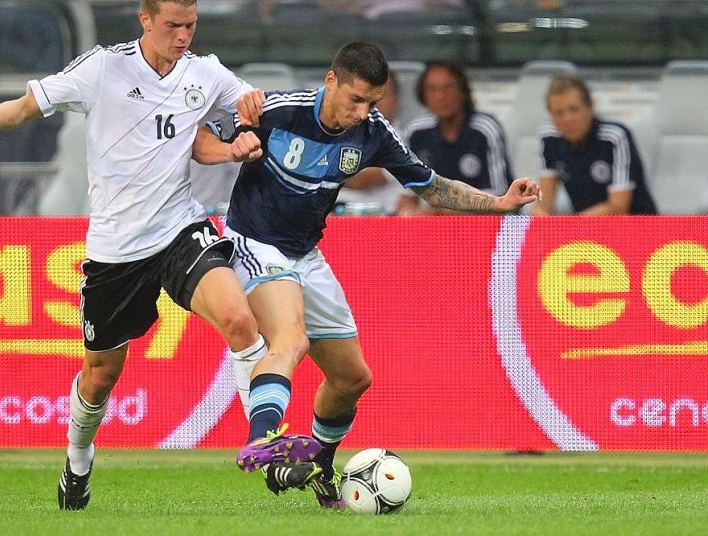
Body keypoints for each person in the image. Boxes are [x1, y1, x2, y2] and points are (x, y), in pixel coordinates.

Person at [0, 0, 320, 512]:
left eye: (191, 25)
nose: (184, 36)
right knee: (100, 377)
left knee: (239, 319)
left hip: (180, 230)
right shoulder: (103, 67)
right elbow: (30, 101)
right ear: (146, 20)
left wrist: (251, 121)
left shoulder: (205, 73)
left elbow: (250, 108)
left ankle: (266, 440)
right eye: (173, 25)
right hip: (117, 251)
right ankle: (77, 458)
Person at [193, 41, 540, 508]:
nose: (363, 112)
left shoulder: (374, 132)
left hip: (305, 253)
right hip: (253, 241)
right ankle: (263, 442)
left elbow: (432, 187)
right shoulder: (278, 110)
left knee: (352, 378)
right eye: (355, 99)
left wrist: (498, 202)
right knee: (290, 340)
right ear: (330, 81)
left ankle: (319, 469)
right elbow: (200, 140)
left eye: (372, 102)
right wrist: (233, 147)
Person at [530, 72, 657, 216]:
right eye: (559, 113)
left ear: (590, 107)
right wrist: (540, 222)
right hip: (584, 232)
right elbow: (543, 204)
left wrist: (570, 227)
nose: (567, 119)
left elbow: (618, 208)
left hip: (637, 229)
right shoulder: (549, 138)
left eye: (574, 109)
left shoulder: (614, 138)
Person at [397, 60, 514, 215]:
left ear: (463, 91)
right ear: (423, 96)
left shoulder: (485, 130)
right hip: (436, 226)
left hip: (486, 226)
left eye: (448, 87)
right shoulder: (416, 133)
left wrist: (441, 213)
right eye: (432, 89)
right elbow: (407, 199)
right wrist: (409, 214)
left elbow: (498, 202)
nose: (440, 96)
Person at [335, 68, 405, 214]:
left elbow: (365, 180)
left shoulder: (402, 139)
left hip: (379, 221)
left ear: (395, 100)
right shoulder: (339, 134)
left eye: (381, 94)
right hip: (336, 217)